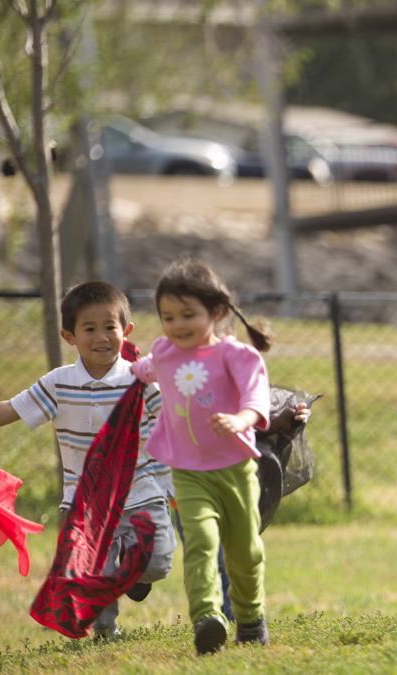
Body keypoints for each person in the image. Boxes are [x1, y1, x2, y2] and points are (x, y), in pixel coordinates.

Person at [0, 281, 177, 640]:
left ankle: (134, 576)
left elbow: (174, 426)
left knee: (157, 563)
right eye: (89, 328)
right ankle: (105, 628)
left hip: (143, 492)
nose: (101, 337)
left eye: (110, 327)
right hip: (86, 501)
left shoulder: (142, 381)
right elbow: (12, 408)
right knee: (92, 571)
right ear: (69, 336)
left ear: (126, 330)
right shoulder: (59, 383)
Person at [131, 259, 272, 655]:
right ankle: (208, 618)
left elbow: (255, 397)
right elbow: (144, 368)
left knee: (244, 553)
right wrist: (121, 364)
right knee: (200, 542)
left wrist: (241, 419)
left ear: (217, 312)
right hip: (188, 473)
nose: (177, 326)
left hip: (236, 472)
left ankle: (249, 617)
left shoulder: (236, 355)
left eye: (188, 315)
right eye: (167, 317)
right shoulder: (164, 351)